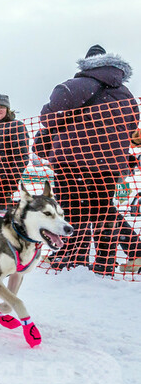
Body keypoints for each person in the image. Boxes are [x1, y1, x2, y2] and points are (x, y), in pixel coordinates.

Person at [40, 44, 141, 276]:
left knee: (72, 210)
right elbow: (130, 127)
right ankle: (104, 264)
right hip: (109, 165)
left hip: (72, 160)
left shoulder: (75, 86)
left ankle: (71, 258)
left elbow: (49, 116)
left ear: (87, 63)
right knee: (103, 211)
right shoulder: (126, 95)